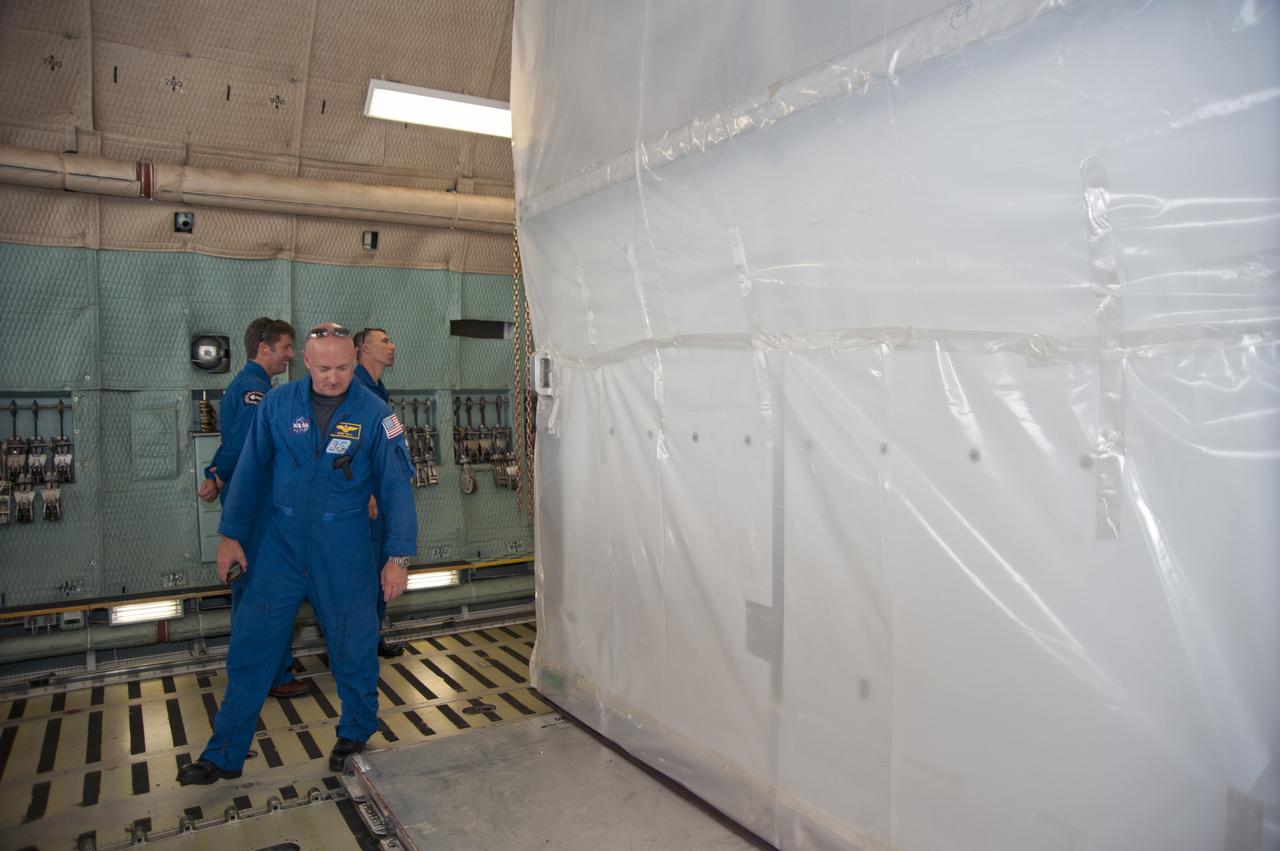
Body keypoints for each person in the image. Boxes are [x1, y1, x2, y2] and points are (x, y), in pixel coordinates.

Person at [178, 323, 418, 785]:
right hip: (279, 546)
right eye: (324, 367)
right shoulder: (276, 405)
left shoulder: (377, 414)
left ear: (354, 361)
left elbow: (395, 487)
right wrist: (230, 536)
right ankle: (223, 753)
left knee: (353, 643)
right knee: (252, 646)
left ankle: (356, 730)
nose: (333, 377)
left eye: (343, 368)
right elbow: (249, 473)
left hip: (344, 546)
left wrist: (397, 557)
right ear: (304, 362)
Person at [198, 318, 311, 700]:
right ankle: (271, 673)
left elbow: (231, 444)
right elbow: (245, 446)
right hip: (256, 504)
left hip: (254, 501)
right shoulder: (254, 391)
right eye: (286, 348)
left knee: (260, 587)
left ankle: (270, 663)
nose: (291, 356)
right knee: (263, 589)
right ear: (264, 348)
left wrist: (215, 472)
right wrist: (217, 472)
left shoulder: (255, 387)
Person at [353, 327, 405, 659]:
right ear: (363, 350)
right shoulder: (354, 389)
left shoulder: (378, 390)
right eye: (384, 340)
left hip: (381, 499)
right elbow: (347, 446)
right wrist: (364, 489)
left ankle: (371, 637)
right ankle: (350, 643)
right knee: (359, 573)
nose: (392, 345)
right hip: (363, 503)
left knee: (380, 567)